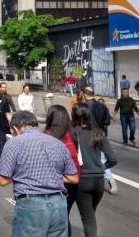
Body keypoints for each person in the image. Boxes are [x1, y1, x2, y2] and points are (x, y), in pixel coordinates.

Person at [0, 111, 79, 237]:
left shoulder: (14, 143)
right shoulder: (58, 143)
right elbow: (74, 178)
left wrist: (24, 175)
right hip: (59, 204)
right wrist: (50, 176)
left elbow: (2, 180)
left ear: (15, 128)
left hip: (31, 205)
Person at [71, 104, 117, 237]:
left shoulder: (74, 135)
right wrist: (101, 168)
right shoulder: (98, 133)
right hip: (99, 182)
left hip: (82, 180)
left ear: (75, 116)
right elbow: (113, 159)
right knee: (91, 215)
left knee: (88, 220)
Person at [44, 105, 82, 237]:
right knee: (63, 216)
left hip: (56, 183)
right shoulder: (72, 134)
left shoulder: (48, 135)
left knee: (57, 219)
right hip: (70, 185)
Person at [84, 87, 116, 194]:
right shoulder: (103, 106)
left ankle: (109, 178)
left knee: (97, 158)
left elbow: (85, 122)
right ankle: (109, 179)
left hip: (91, 135)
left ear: (85, 94)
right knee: (102, 157)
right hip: (102, 134)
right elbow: (107, 121)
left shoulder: (86, 107)